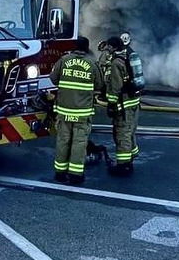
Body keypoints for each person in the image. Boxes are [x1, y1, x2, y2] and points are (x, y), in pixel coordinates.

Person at [50, 36, 103, 184]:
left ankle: (60, 173)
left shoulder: (64, 60)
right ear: (86, 48)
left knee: (63, 141)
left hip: (64, 111)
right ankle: (75, 175)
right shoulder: (92, 63)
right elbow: (99, 85)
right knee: (79, 143)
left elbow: (53, 78)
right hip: (82, 113)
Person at [99, 34, 142, 175]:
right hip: (133, 101)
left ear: (113, 47)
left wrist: (111, 103)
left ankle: (123, 166)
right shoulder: (128, 56)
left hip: (123, 104)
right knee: (130, 131)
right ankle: (130, 159)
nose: (107, 49)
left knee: (122, 133)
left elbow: (115, 87)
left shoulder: (117, 62)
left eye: (109, 47)